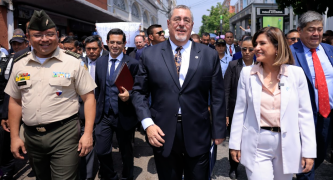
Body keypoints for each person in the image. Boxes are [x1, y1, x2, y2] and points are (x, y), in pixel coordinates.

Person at [131, 5, 226, 180]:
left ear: (192, 25)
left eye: (186, 20)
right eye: (177, 19)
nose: (181, 24)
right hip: (161, 132)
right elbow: (138, 93)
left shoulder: (208, 55)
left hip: (198, 132)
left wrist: (219, 130)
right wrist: (147, 124)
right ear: (168, 23)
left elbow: (218, 95)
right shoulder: (149, 55)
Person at [5, 10, 97, 180]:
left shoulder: (73, 62)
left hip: (64, 134)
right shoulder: (19, 64)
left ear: (57, 35)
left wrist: (88, 133)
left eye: (49, 34)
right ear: (28, 37)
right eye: (38, 35)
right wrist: (15, 137)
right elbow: (15, 101)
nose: (45, 39)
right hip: (31, 136)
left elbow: (89, 98)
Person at [229, 26, 316, 180]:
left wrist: (309, 151)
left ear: (277, 47)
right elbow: (240, 110)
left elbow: (305, 115)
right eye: (256, 44)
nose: (256, 48)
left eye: (262, 43)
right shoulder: (247, 74)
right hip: (257, 144)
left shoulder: (296, 74)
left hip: (287, 144)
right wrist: (235, 143)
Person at [290, 11, 333, 180]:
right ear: (300, 30)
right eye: (311, 29)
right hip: (302, 118)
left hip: (327, 115)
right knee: (306, 161)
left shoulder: (331, 51)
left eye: (319, 29)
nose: (316, 33)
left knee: (319, 155)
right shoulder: (290, 54)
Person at [94, 28, 139, 180]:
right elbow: (98, 87)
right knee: (101, 150)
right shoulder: (100, 62)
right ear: (106, 43)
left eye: (118, 43)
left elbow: (140, 89)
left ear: (124, 44)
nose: (115, 45)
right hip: (104, 114)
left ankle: (127, 176)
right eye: (112, 42)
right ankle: (110, 175)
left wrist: (130, 95)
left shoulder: (133, 63)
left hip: (124, 115)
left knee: (126, 151)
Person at [224, 36, 254, 179]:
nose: (247, 52)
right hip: (235, 109)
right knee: (235, 140)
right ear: (240, 49)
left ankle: (252, 167)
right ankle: (233, 167)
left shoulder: (261, 65)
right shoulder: (233, 65)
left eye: (250, 49)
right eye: (244, 49)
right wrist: (226, 114)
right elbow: (226, 90)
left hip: (255, 111)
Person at [0, 32, 29, 180]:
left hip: (31, 108)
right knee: (6, 138)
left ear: (26, 43)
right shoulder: (9, 60)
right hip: (13, 105)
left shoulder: (32, 60)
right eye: (14, 44)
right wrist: (5, 114)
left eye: (19, 43)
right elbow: (8, 91)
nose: (16, 46)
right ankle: (7, 170)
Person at [78, 35, 103, 180]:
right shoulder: (78, 63)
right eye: (88, 49)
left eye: (95, 48)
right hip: (82, 109)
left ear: (100, 49)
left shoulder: (105, 63)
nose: (91, 51)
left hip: (101, 107)